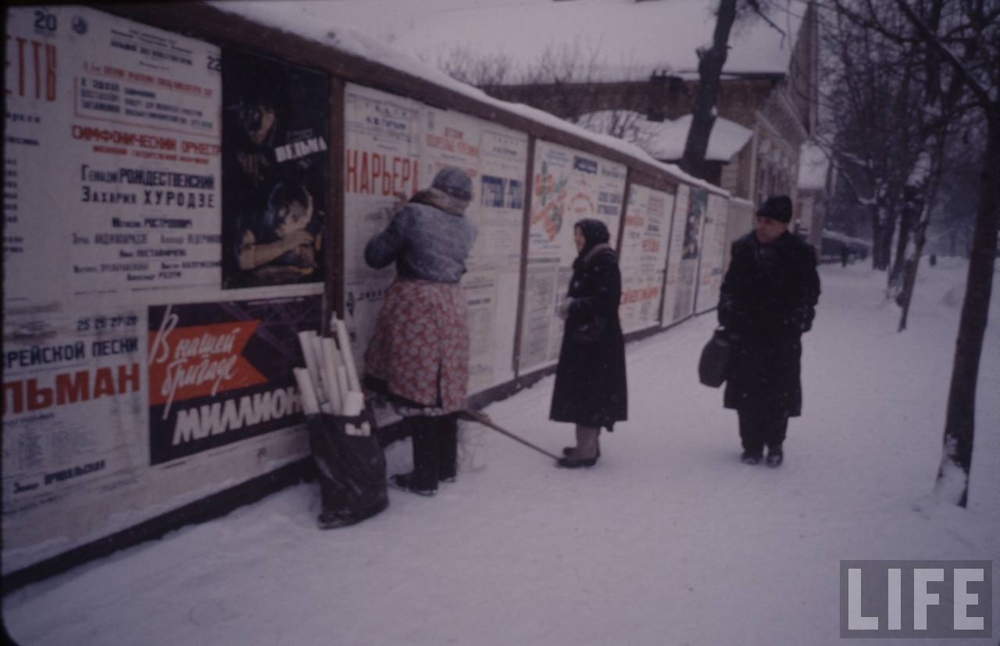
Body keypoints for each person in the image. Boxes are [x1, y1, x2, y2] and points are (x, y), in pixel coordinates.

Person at [363, 166, 478, 496]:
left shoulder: (413, 214)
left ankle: (425, 477)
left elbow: (375, 256)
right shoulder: (469, 227)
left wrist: (396, 219)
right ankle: (445, 467)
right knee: (443, 387)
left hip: (418, 305)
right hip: (452, 304)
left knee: (420, 390)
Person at [718, 195, 821, 467]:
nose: (761, 226)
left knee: (778, 394)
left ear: (784, 225)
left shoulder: (800, 253)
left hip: (781, 337)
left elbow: (810, 293)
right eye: (759, 220)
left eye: (769, 222)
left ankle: (775, 444)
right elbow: (729, 286)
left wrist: (798, 320)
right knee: (746, 393)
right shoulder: (743, 248)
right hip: (746, 334)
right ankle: (750, 445)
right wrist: (728, 312)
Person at [550, 219, 628, 468]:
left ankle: (586, 452)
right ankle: (588, 445)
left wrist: (574, 306)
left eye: (581, 235)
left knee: (588, 393)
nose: (577, 239)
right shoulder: (591, 259)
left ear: (593, 236)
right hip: (590, 339)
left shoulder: (603, 262)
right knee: (588, 393)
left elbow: (606, 301)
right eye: (576, 234)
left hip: (595, 343)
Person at [234, 180, 321, 286]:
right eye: (282, 210)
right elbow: (244, 260)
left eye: (294, 218)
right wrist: (284, 244)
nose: (284, 220)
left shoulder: (306, 229)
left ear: (304, 222)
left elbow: (308, 263)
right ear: (271, 207)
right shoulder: (252, 219)